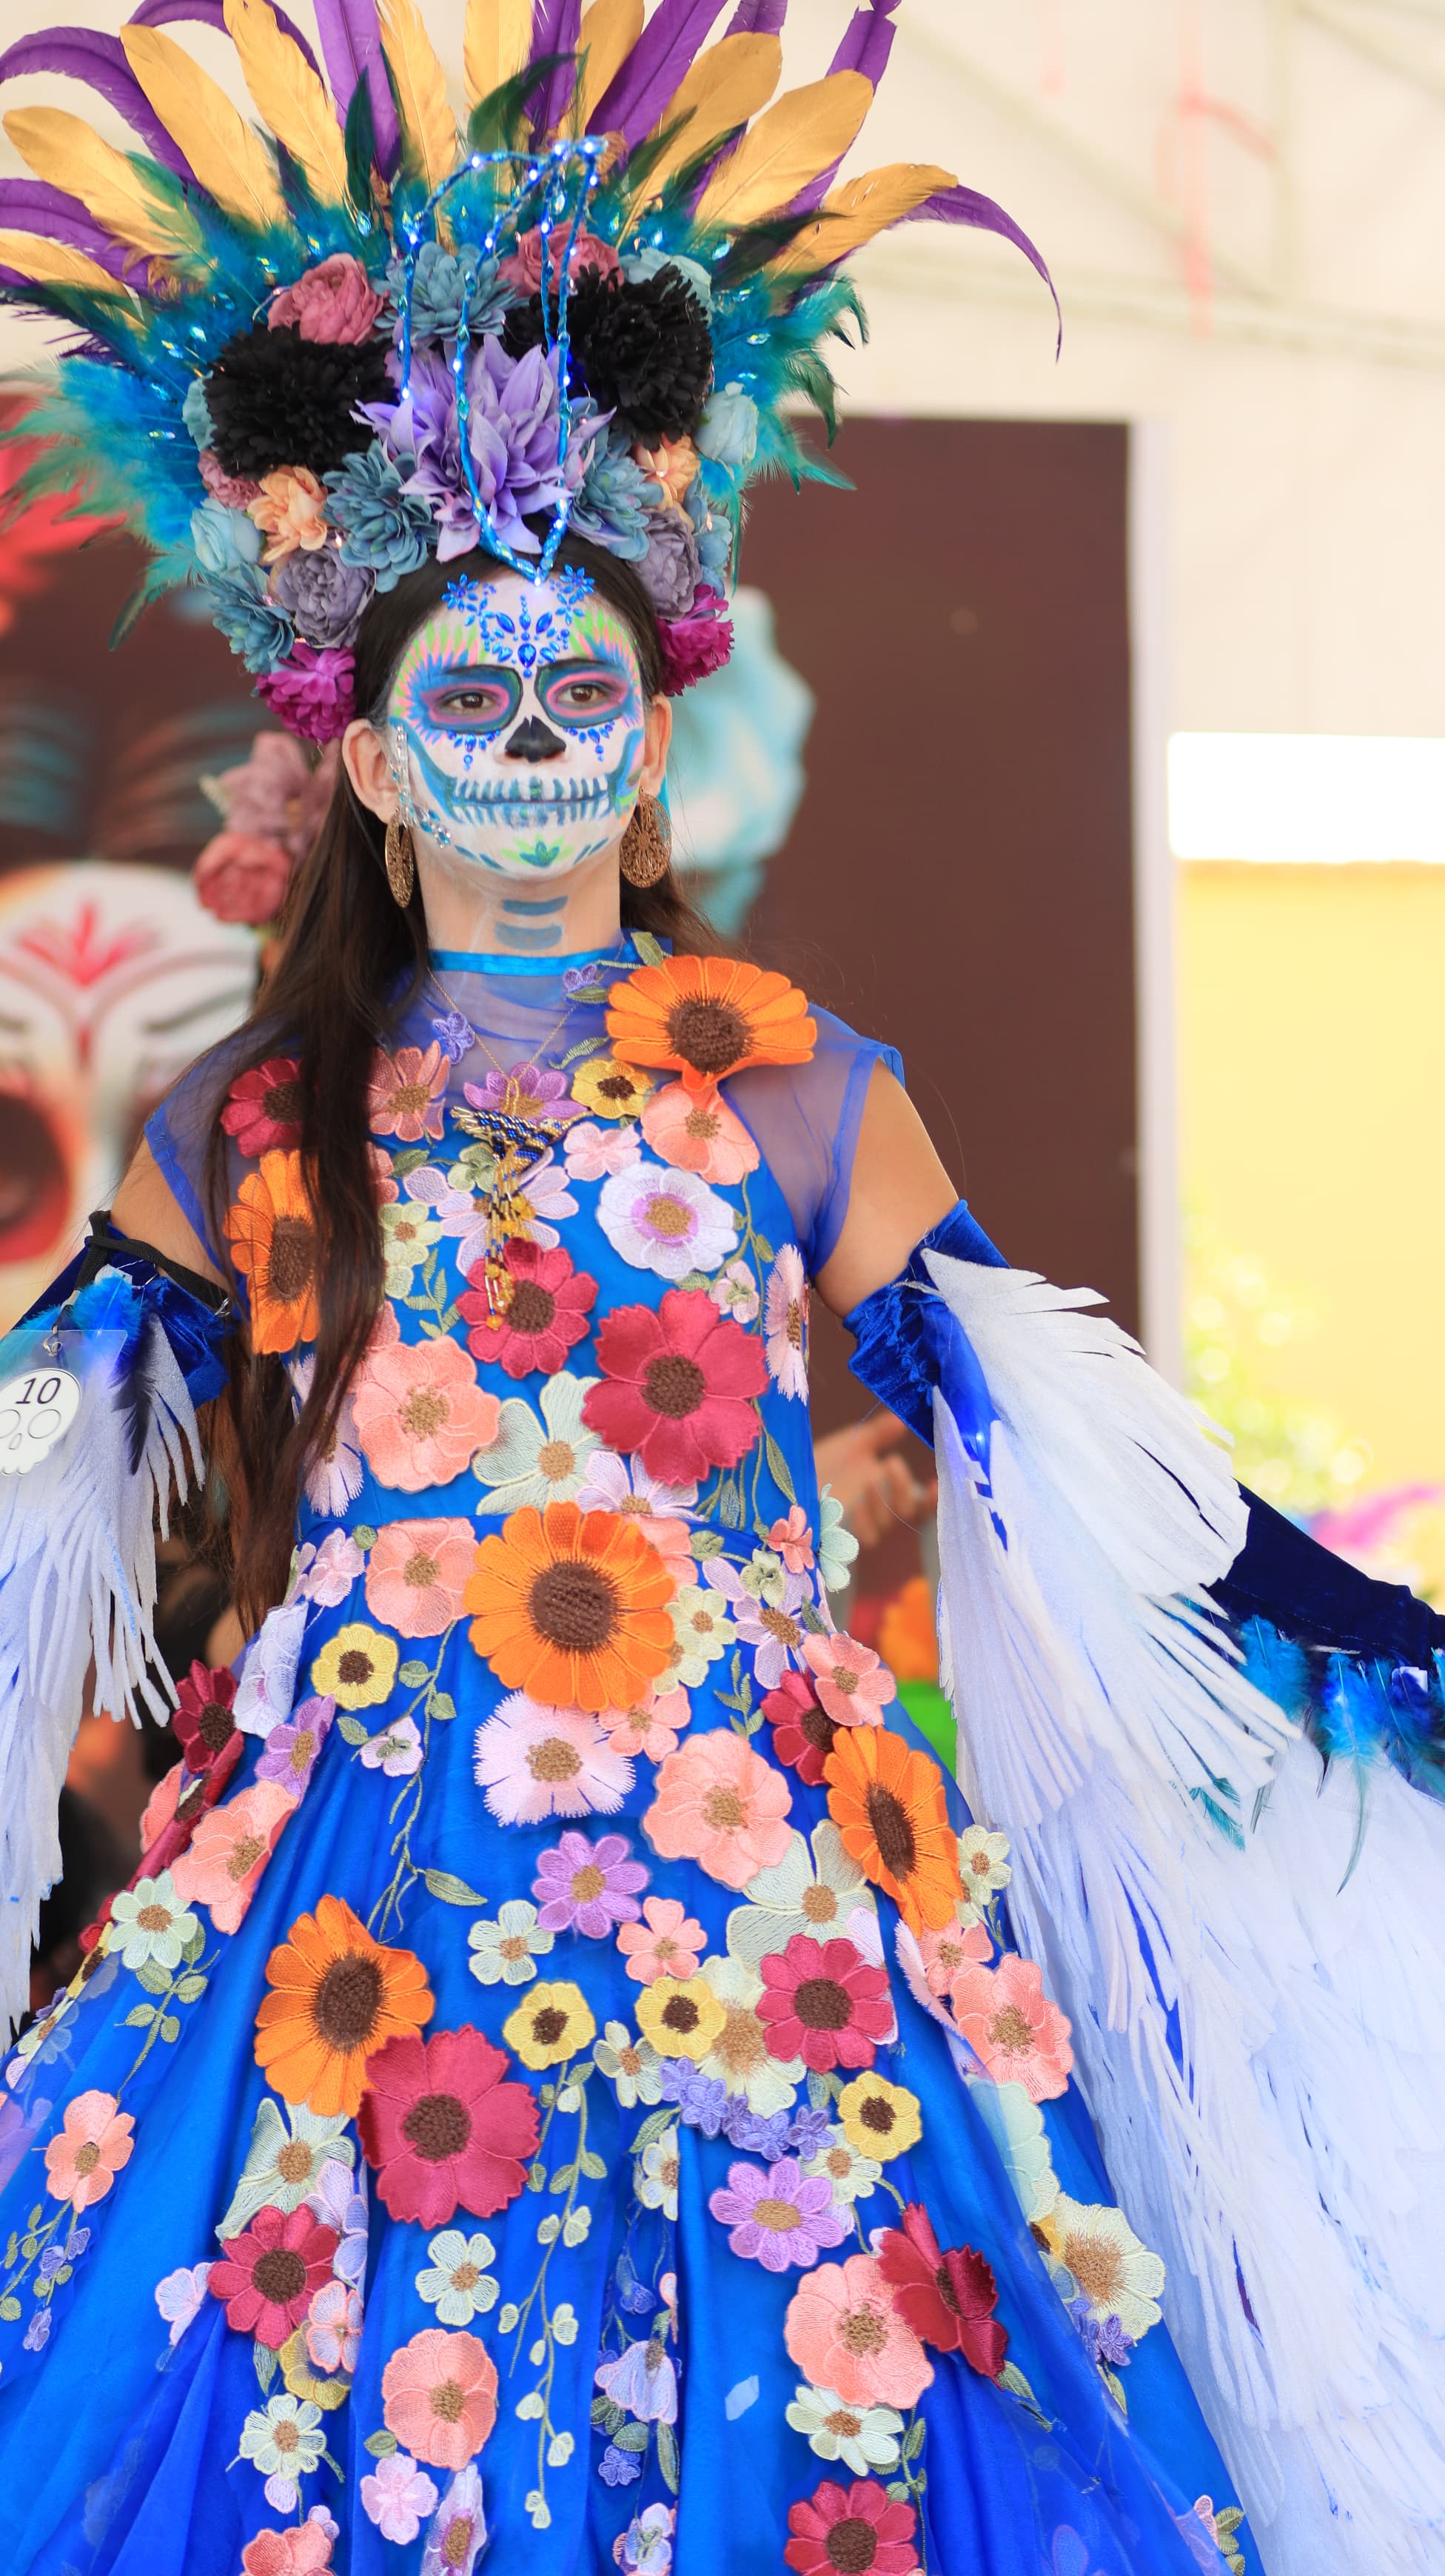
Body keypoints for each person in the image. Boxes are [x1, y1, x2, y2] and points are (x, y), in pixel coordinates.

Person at [0, 13, 1441, 2576]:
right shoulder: (239, 1118)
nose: (538, 745)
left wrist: (1325, 1637)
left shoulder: (792, 1074)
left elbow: (1047, 1430)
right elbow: (40, 1481)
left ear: (651, 749)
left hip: (774, 1892)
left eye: (584, 695)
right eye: (476, 697)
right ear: (369, 762)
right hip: (347, 1896)